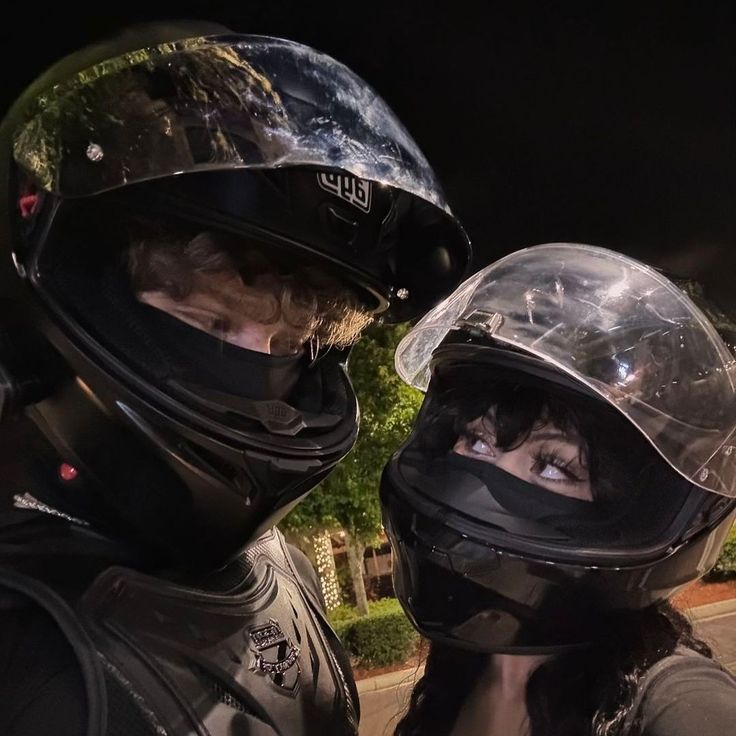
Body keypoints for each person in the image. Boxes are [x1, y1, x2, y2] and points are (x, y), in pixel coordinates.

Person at [0, 21, 471, 736]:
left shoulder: (278, 567)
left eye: (290, 342)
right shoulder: (24, 647)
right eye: (215, 322)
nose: (259, 374)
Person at [380, 243, 736, 736]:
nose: (487, 487)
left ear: (628, 511)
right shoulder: (460, 673)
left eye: (551, 465)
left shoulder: (676, 703)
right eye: (477, 442)